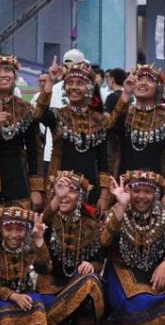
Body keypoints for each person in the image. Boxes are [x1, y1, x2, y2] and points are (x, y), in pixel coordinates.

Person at [102, 171, 165, 325]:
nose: (142, 197)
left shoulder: (163, 216)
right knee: (140, 302)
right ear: (129, 191)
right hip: (122, 271)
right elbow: (104, 241)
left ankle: (160, 324)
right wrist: (121, 205)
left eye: (148, 192)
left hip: (152, 270)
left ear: (155, 194)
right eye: (137, 191)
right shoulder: (118, 211)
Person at [39, 171, 107, 325]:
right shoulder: (49, 219)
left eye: (72, 190)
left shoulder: (91, 224)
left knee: (90, 282)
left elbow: (100, 259)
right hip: (52, 286)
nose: (65, 195)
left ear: (81, 196)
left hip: (77, 282)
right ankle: (60, 321)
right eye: (61, 189)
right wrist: (56, 197)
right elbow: (44, 220)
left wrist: (91, 265)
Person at [34, 59, 110, 211]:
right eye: (70, 83)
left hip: (91, 188)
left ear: (89, 88)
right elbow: (38, 114)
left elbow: (103, 161)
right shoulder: (58, 115)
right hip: (59, 187)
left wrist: (104, 195)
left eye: (79, 83)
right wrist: (50, 80)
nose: (74, 87)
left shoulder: (99, 120)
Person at [0, 55, 42, 213]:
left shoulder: (26, 109)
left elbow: (35, 151)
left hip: (17, 177)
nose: (3, 74)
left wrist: (36, 189)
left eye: (8, 70)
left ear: (15, 76)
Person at [108, 65, 165, 207]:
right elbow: (110, 128)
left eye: (149, 80)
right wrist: (126, 94)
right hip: (124, 188)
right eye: (139, 78)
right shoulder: (126, 114)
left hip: (155, 191)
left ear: (158, 87)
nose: (143, 83)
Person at [0, 206, 50, 325]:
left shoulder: (29, 249)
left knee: (37, 304)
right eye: (8, 229)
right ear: (0, 229)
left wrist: (39, 240)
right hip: (1, 297)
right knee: (1, 312)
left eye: (19, 230)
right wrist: (13, 296)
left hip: (25, 294)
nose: (14, 235)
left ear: (26, 230)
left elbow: (45, 269)